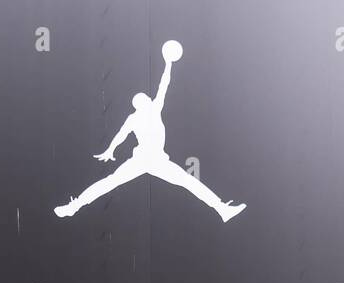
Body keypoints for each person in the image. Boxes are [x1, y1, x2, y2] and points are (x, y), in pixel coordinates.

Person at [54, 40, 245, 222]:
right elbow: (121, 135)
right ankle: (74, 206)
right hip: (141, 159)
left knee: (188, 182)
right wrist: (111, 150)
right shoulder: (138, 116)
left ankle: (222, 209)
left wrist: (168, 64)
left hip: (158, 160)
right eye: (143, 99)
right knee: (111, 182)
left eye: (145, 98)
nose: (146, 99)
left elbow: (164, 85)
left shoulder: (153, 109)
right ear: (138, 104)